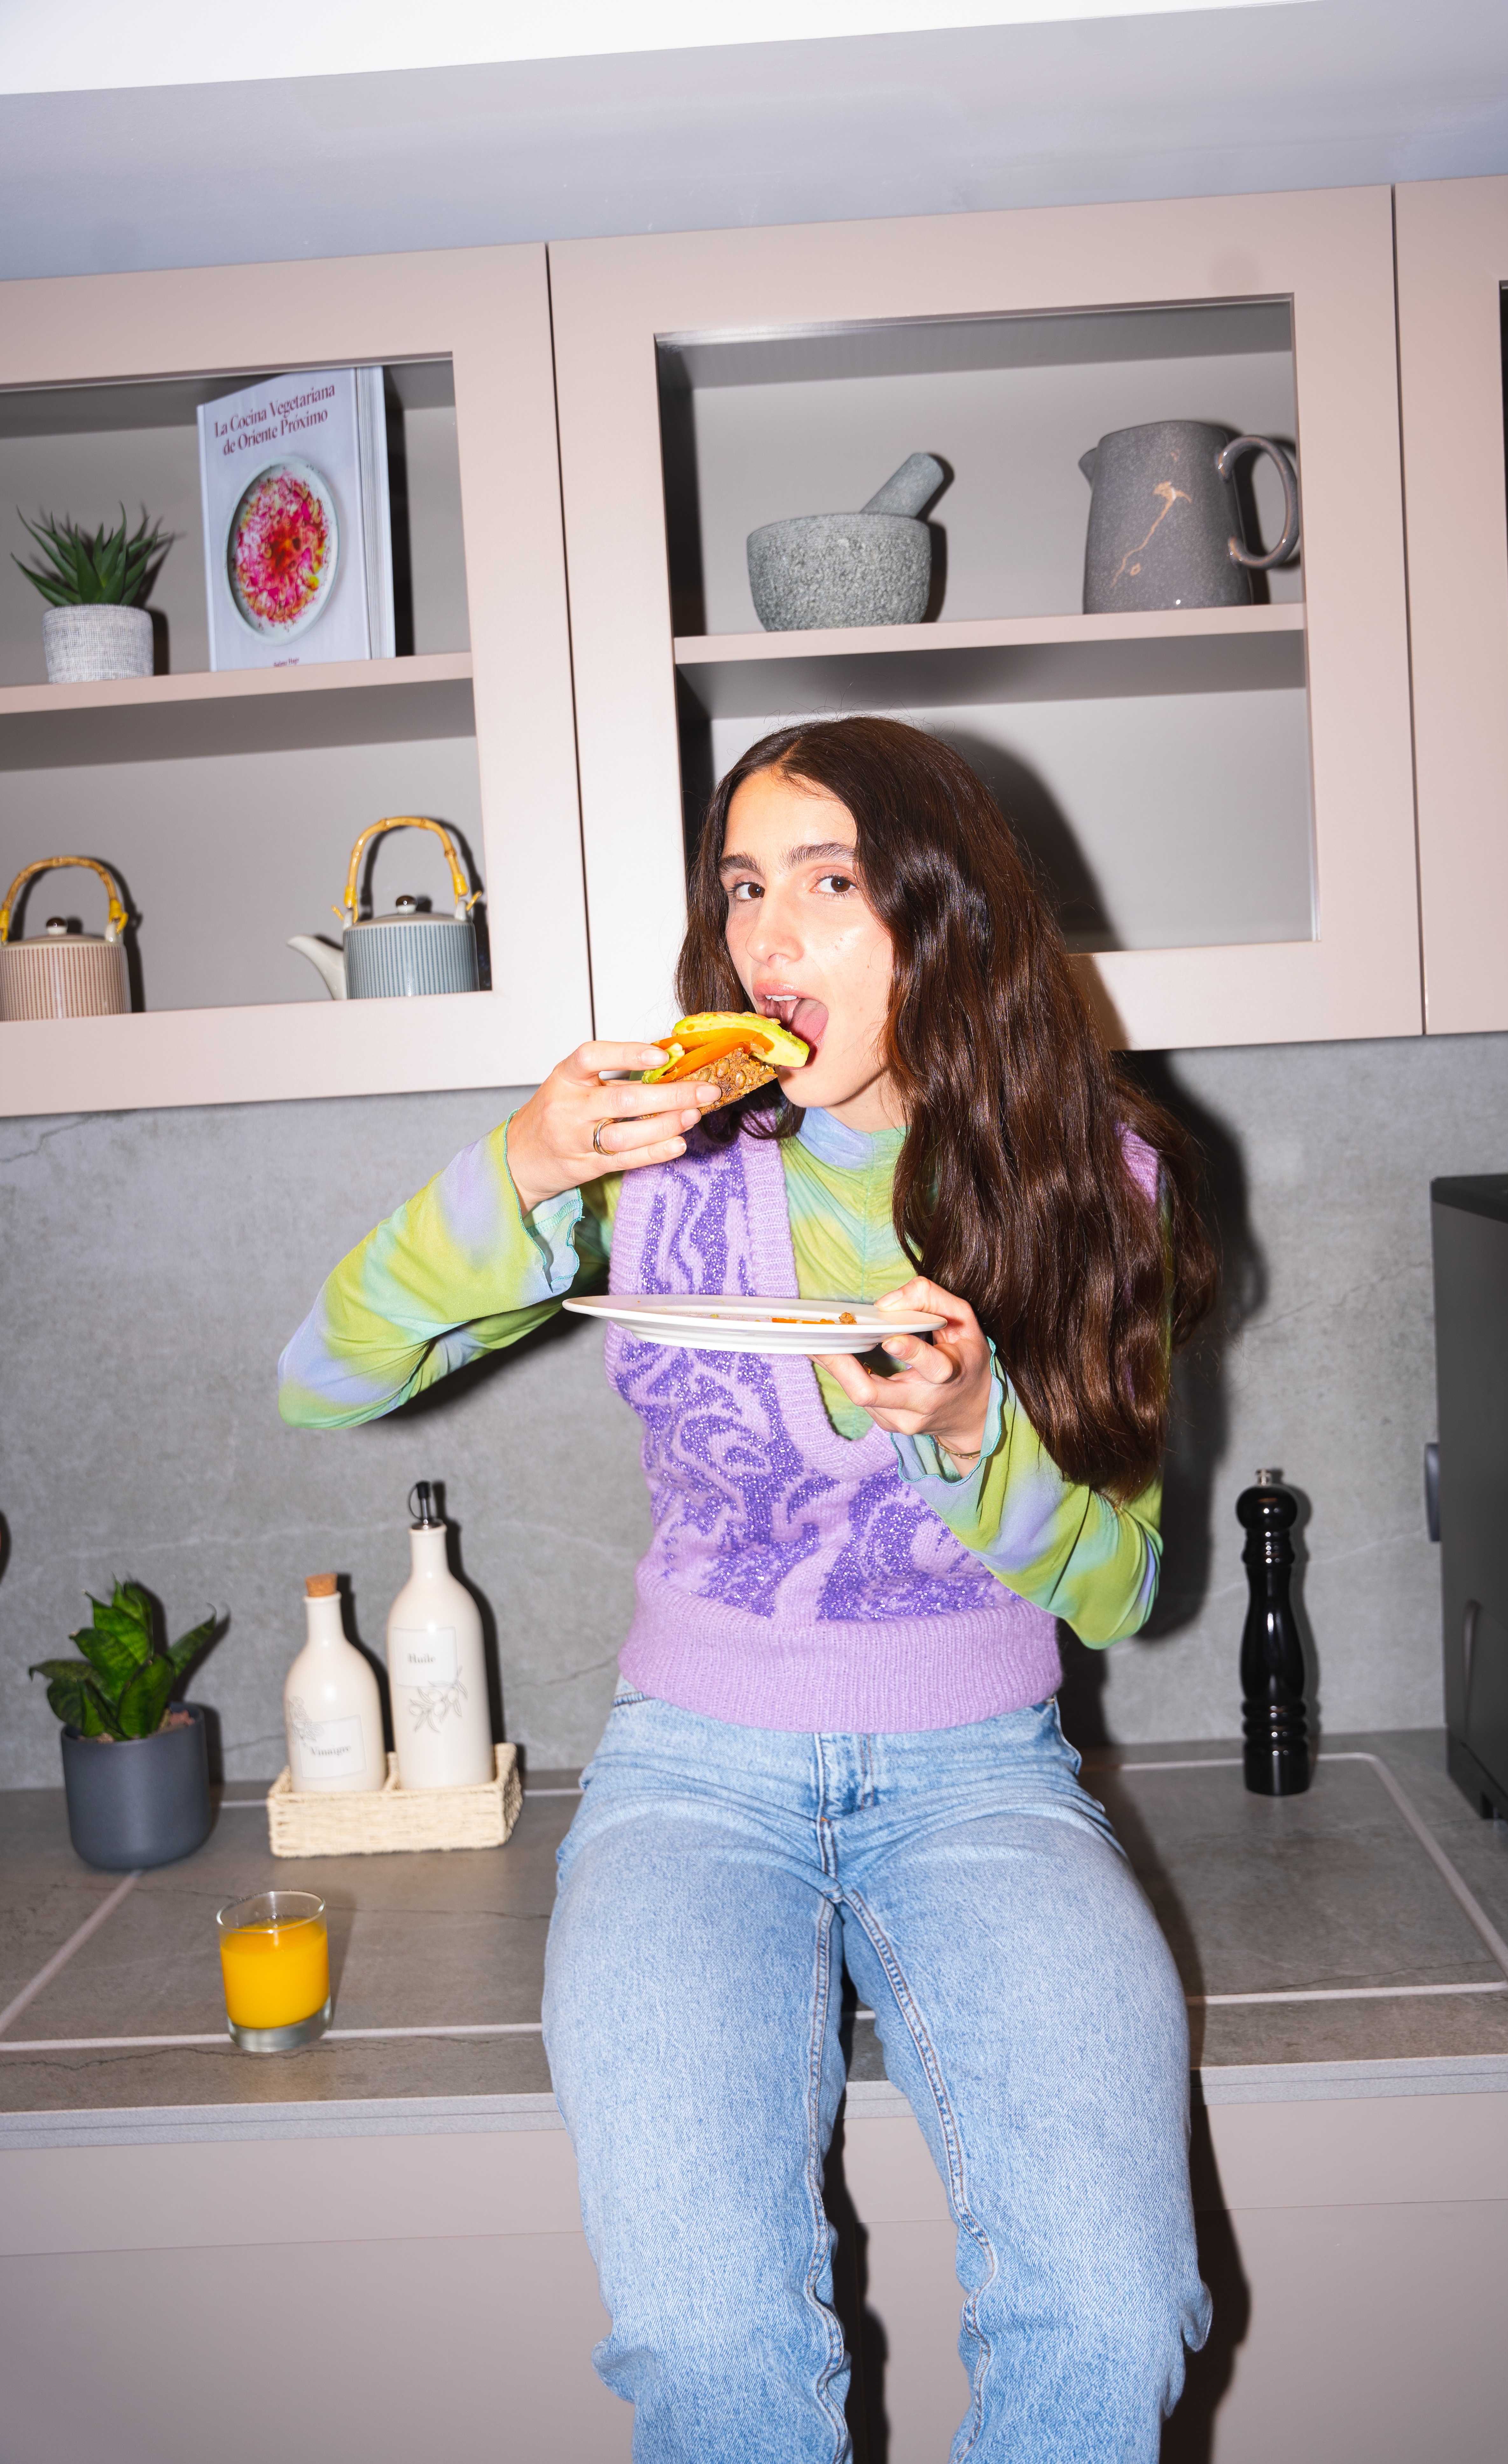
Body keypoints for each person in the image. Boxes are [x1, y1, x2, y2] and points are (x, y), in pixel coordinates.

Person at [280, 716, 1218, 2463]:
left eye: (830, 883)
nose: (766, 941)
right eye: (742, 889)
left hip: (984, 1771)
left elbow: (1119, 1590)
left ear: (946, 920)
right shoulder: (661, 1163)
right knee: (714, 2354)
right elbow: (318, 1377)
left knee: (1110, 2309)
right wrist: (531, 1166)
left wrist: (968, 1427)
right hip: (691, 1775)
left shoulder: (1095, 1179)